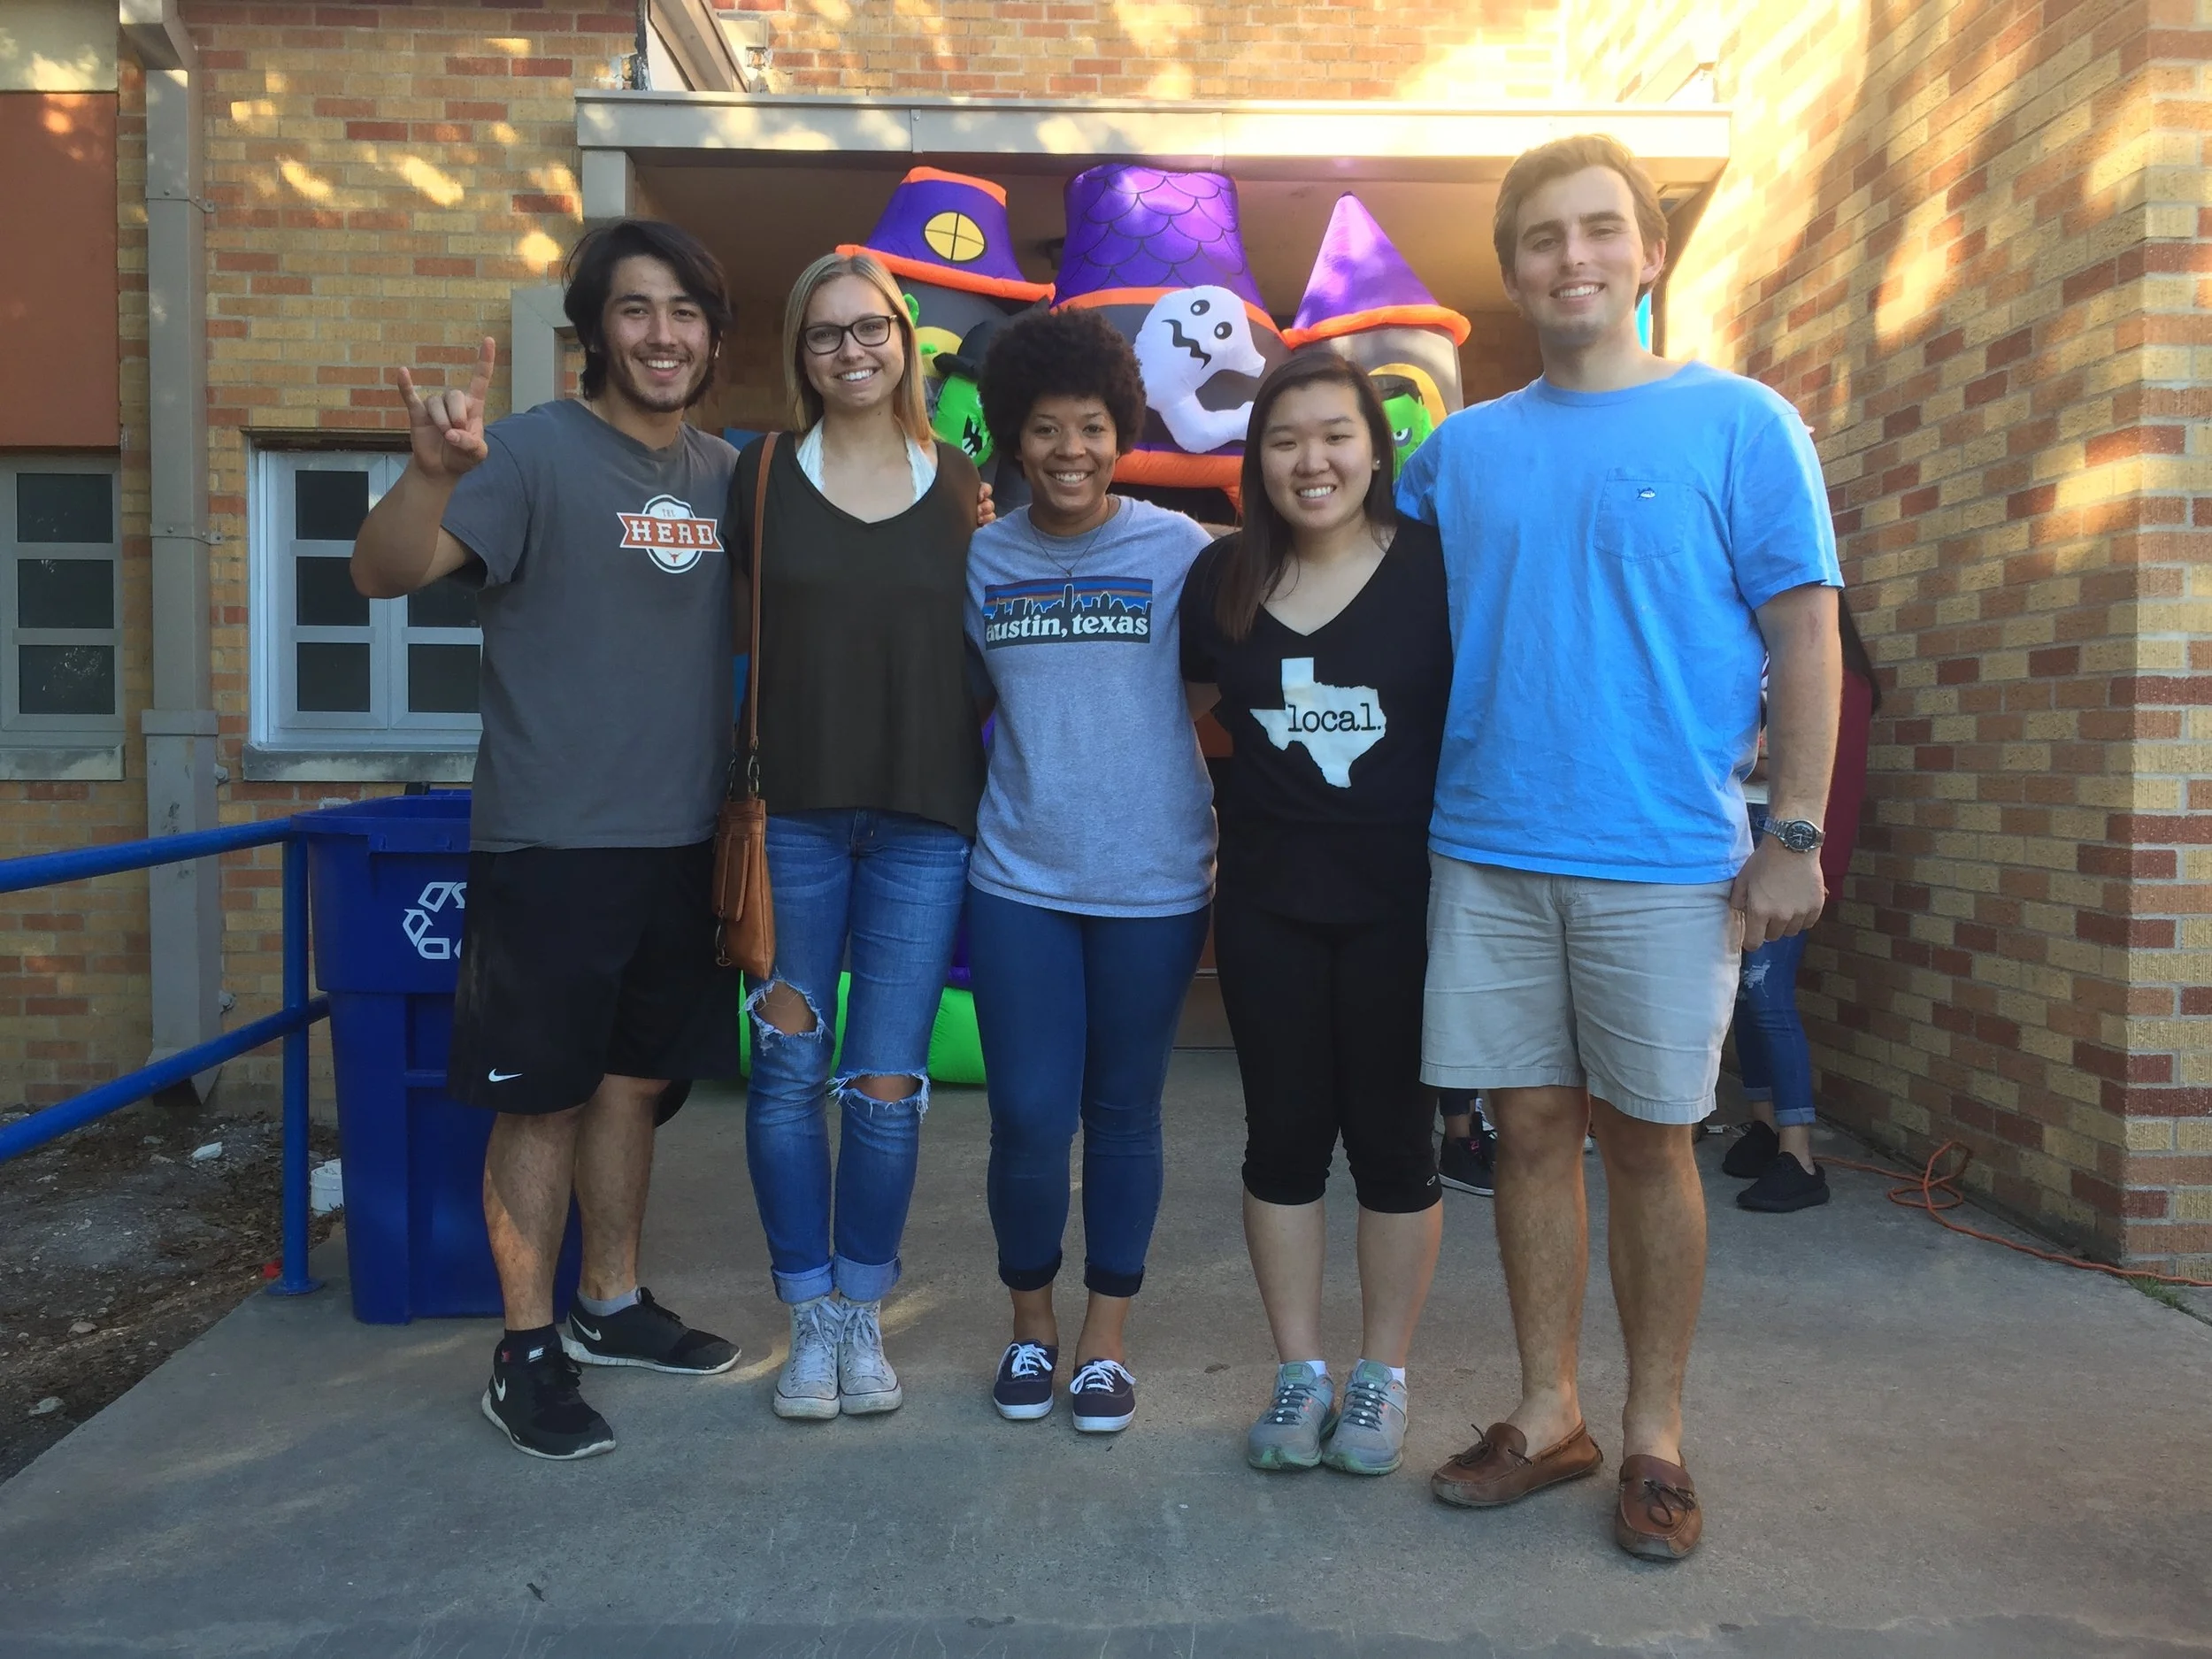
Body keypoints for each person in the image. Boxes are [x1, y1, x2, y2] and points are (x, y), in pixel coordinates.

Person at [1402, 135, 1842, 1560]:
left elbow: (1805, 632)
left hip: (1665, 859)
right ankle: (1549, 1412)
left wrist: (1794, 832)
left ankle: (1653, 1433)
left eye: (1600, 230)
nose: (1572, 257)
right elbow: (1340, 567)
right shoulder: (1458, 452)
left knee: (1653, 1141)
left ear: (1649, 252)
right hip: (1487, 848)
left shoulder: (1741, 423)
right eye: (1542, 236)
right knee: (1526, 1131)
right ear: (1516, 264)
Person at [350, 219, 745, 1461]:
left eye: (684, 310)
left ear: (711, 336)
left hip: (683, 839)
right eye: (636, 309)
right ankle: (525, 1350)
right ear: (595, 330)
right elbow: (379, 573)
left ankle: (610, 1304)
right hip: (551, 843)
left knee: (634, 1086)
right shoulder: (524, 455)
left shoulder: (728, 475)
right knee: (543, 1101)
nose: (663, 332)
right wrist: (425, 474)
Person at [1181, 353, 1453, 1478]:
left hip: (1408, 902)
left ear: (1374, 448)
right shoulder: (1221, 581)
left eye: (1335, 435)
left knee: (1395, 1144)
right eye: (1285, 439)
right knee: (1283, 1140)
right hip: (1269, 903)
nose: (1312, 460)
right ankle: (1299, 1373)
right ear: (1256, 460)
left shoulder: (1440, 568)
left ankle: (1380, 1376)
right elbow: (1200, 713)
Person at [733, 251, 987, 1424]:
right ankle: (805, 1313)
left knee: (886, 1086)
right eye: (825, 333)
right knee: (787, 1071)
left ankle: (860, 1313)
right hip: (793, 815)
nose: (851, 350)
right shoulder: (767, 472)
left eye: (870, 327)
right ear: (801, 353)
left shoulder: (961, 480)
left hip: (925, 822)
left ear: (908, 338)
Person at [963, 307, 1216, 1435]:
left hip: (1154, 881)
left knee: (1122, 1112)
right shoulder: (983, 556)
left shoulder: (1179, 550)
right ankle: (1032, 1328)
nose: (1071, 450)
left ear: (1125, 433)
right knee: (1025, 1115)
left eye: (1094, 428)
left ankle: (1105, 1343)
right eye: (1048, 429)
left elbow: (1218, 681)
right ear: (1015, 439)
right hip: (1018, 875)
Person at [1723, 597, 1880, 1211]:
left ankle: (1800, 1154)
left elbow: (1791, 759)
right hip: (1748, 835)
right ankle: (1765, 1125)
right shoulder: (1774, 665)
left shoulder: (1835, 678)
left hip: (1785, 845)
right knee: (1744, 991)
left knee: (1768, 994)